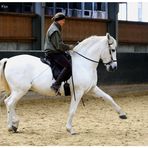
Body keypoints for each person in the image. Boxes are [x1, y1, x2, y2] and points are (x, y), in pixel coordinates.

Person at [44, 12, 73, 94]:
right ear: (59, 20)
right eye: (63, 21)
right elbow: (58, 46)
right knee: (68, 66)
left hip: (55, 51)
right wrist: (69, 47)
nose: (64, 22)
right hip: (53, 53)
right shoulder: (55, 30)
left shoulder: (55, 28)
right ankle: (56, 85)